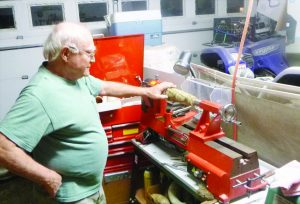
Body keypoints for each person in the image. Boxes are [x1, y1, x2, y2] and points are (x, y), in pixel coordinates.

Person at [0, 22, 175, 204]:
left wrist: (146, 92)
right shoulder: (40, 94)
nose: (93, 60)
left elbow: (105, 87)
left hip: (93, 189)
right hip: (69, 196)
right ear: (66, 54)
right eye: (89, 54)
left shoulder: (75, 77)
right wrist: (45, 176)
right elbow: (3, 147)